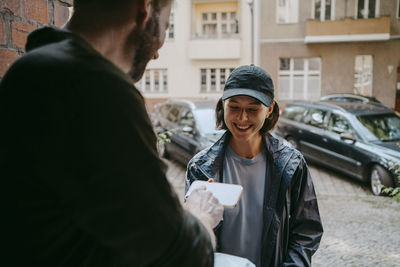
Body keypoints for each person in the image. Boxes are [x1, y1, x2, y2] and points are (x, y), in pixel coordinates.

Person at [0, 0, 223, 266]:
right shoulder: (95, 87)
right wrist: (202, 215)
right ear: (145, 9)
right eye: (166, 26)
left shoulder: (28, 70)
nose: (157, 54)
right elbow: (181, 254)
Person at [186, 65, 323, 267]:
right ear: (222, 106)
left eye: (252, 109)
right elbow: (193, 229)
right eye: (234, 107)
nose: (242, 118)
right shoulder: (200, 167)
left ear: (269, 110)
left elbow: (307, 231)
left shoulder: (291, 165)